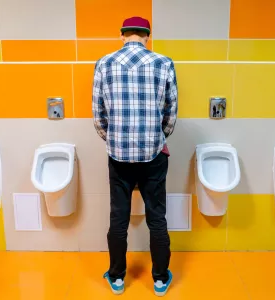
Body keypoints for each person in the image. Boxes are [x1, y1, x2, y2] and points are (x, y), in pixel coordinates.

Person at [92, 16, 178, 297]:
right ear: (147, 36)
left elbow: (98, 115)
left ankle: (116, 278)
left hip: (118, 156)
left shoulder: (104, 64)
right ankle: (160, 278)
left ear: (122, 35)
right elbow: (170, 113)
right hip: (153, 155)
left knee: (118, 217)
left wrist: (114, 139)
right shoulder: (164, 63)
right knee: (157, 217)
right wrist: (157, 138)